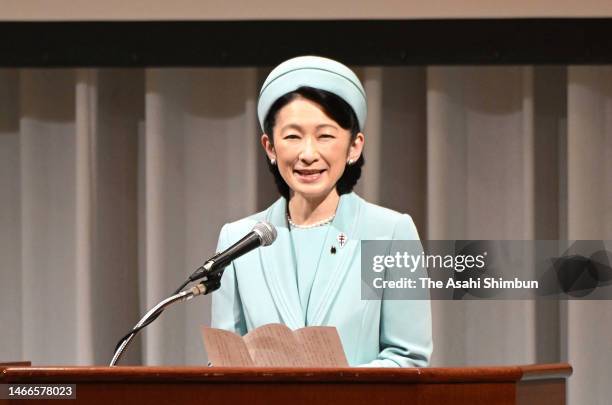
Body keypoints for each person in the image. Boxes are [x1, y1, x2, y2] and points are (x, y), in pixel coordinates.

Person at [211, 55, 432, 367]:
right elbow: (225, 362)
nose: (308, 154)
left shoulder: (390, 232)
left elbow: (408, 358)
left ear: (354, 146)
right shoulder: (239, 239)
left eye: (325, 135)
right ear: (270, 147)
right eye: (292, 136)